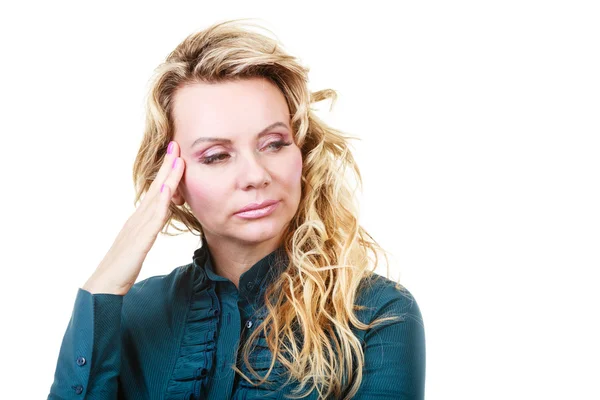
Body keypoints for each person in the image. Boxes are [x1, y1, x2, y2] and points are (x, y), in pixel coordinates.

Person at [48, 19, 426, 400]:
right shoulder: (133, 314)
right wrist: (107, 281)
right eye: (216, 156)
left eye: (274, 143)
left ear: (302, 152)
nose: (256, 175)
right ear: (173, 180)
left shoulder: (376, 313)